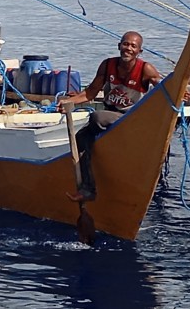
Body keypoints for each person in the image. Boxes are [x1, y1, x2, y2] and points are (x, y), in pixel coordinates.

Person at [57, 31, 163, 199]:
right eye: (125, 44)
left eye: (133, 46)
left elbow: (162, 88)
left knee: (97, 117)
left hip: (130, 118)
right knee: (81, 139)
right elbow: (91, 92)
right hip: (110, 113)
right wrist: (69, 103)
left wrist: (180, 94)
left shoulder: (145, 69)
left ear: (139, 51)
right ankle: (88, 189)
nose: (128, 48)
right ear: (119, 46)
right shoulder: (107, 65)